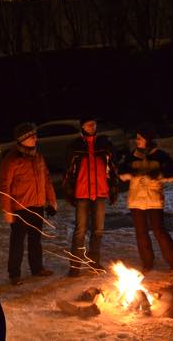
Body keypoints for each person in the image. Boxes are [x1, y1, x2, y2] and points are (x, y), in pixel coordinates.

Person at [0, 122, 58, 286]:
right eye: (31, 136)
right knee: (17, 242)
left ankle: (37, 268)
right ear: (22, 139)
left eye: (35, 135)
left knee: (35, 239)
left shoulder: (38, 157)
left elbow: (46, 180)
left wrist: (51, 200)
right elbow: (4, 186)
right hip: (20, 208)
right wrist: (7, 210)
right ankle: (14, 274)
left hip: (37, 205)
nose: (35, 139)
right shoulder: (11, 159)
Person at [119, 123, 173, 273]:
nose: (137, 140)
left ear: (148, 139)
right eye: (136, 138)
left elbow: (172, 174)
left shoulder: (160, 156)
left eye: (140, 138)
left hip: (154, 199)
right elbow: (121, 173)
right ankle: (147, 263)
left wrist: (158, 176)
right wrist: (131, 174)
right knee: (141, 232)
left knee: (159, 230)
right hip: (136, 199)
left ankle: (172, 262)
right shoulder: (131, 156)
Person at [63, 117, 119, 276]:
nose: (92, 126)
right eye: (89, 124)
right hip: (82, 193)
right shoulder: (75, 146)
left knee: (98, 230)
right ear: (82, 126)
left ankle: (94, 263)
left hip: (100, 192)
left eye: (94, 123)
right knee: (80, 230)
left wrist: (113, 187)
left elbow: (113, 167)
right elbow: (67, 170)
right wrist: (68, 190)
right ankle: (75, 266)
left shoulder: (104, 144)